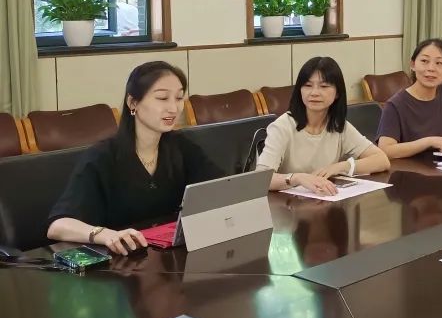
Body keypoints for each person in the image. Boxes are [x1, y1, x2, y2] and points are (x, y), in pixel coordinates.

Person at [47, 61, 224, 255]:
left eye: (179, 97)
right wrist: (105, 234)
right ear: (133, 103)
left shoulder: (182, 146)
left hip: (168, 257)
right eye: (162, 98)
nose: (174, 108)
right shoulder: (103, 157)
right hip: (120, 261)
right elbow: (58, 226)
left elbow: (223, 188)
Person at [257, 56, 389, 194]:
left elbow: (382, 160)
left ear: (337, 93)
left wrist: (341, 167)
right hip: (286, 204)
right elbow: (260, 179)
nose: (314, 93)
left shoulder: (338, 126)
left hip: (324, 200)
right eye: (308, 86)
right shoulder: (282, 127)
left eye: (324, 86)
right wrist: (296, 178)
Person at [377, 39, 442, 159]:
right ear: (412, 65)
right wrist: (429, 142)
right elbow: (386, 150)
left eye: (439, 63)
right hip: (410, 168)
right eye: (424, 61)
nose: (431, 68)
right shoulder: (395, 105)